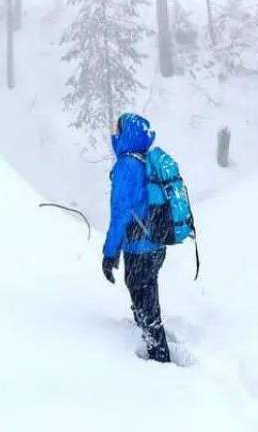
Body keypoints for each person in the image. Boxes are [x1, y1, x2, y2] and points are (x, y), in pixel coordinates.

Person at [101, 112, 171, 363]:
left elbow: (119, 214)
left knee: (142, 294)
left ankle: (158, 354)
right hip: (157, 243)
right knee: (145, 290)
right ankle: (150, 338)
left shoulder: (126, 166)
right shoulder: (145, 159)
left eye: (118, 130)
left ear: (126, 134)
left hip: (140, 246)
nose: (115, 134)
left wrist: (110, 254)